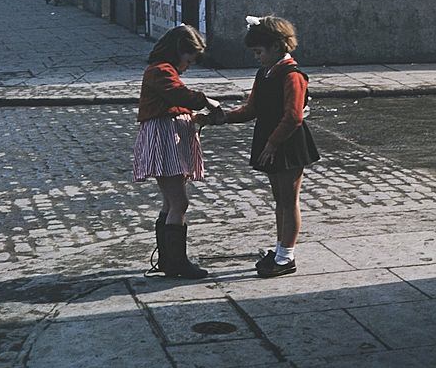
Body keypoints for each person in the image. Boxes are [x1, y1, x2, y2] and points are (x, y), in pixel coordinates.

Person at [206, 15, 319, 278]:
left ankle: (286, 256)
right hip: (272, 140)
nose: (257, 57)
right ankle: (280, 249)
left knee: (289, 200)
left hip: (288, 142)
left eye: (259, 52)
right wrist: (222, 117)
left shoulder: (292, 76)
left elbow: (293, 116)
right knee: (279, 199)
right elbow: (252, 109)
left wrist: (272, 143)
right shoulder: (266, 72)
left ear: (277, 47)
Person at [132, 24, 223, 280]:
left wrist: (193, 117)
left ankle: (167, 259)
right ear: (178, 51)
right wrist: (205, 100)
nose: (188, 65)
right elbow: (178, 95)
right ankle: (176, 263)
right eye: (189, 59)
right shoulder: (160, 71)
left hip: (169, 138)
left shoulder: (163, 70)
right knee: (180, 202)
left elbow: (171, 104)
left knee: (171, 202)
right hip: (165, 141)